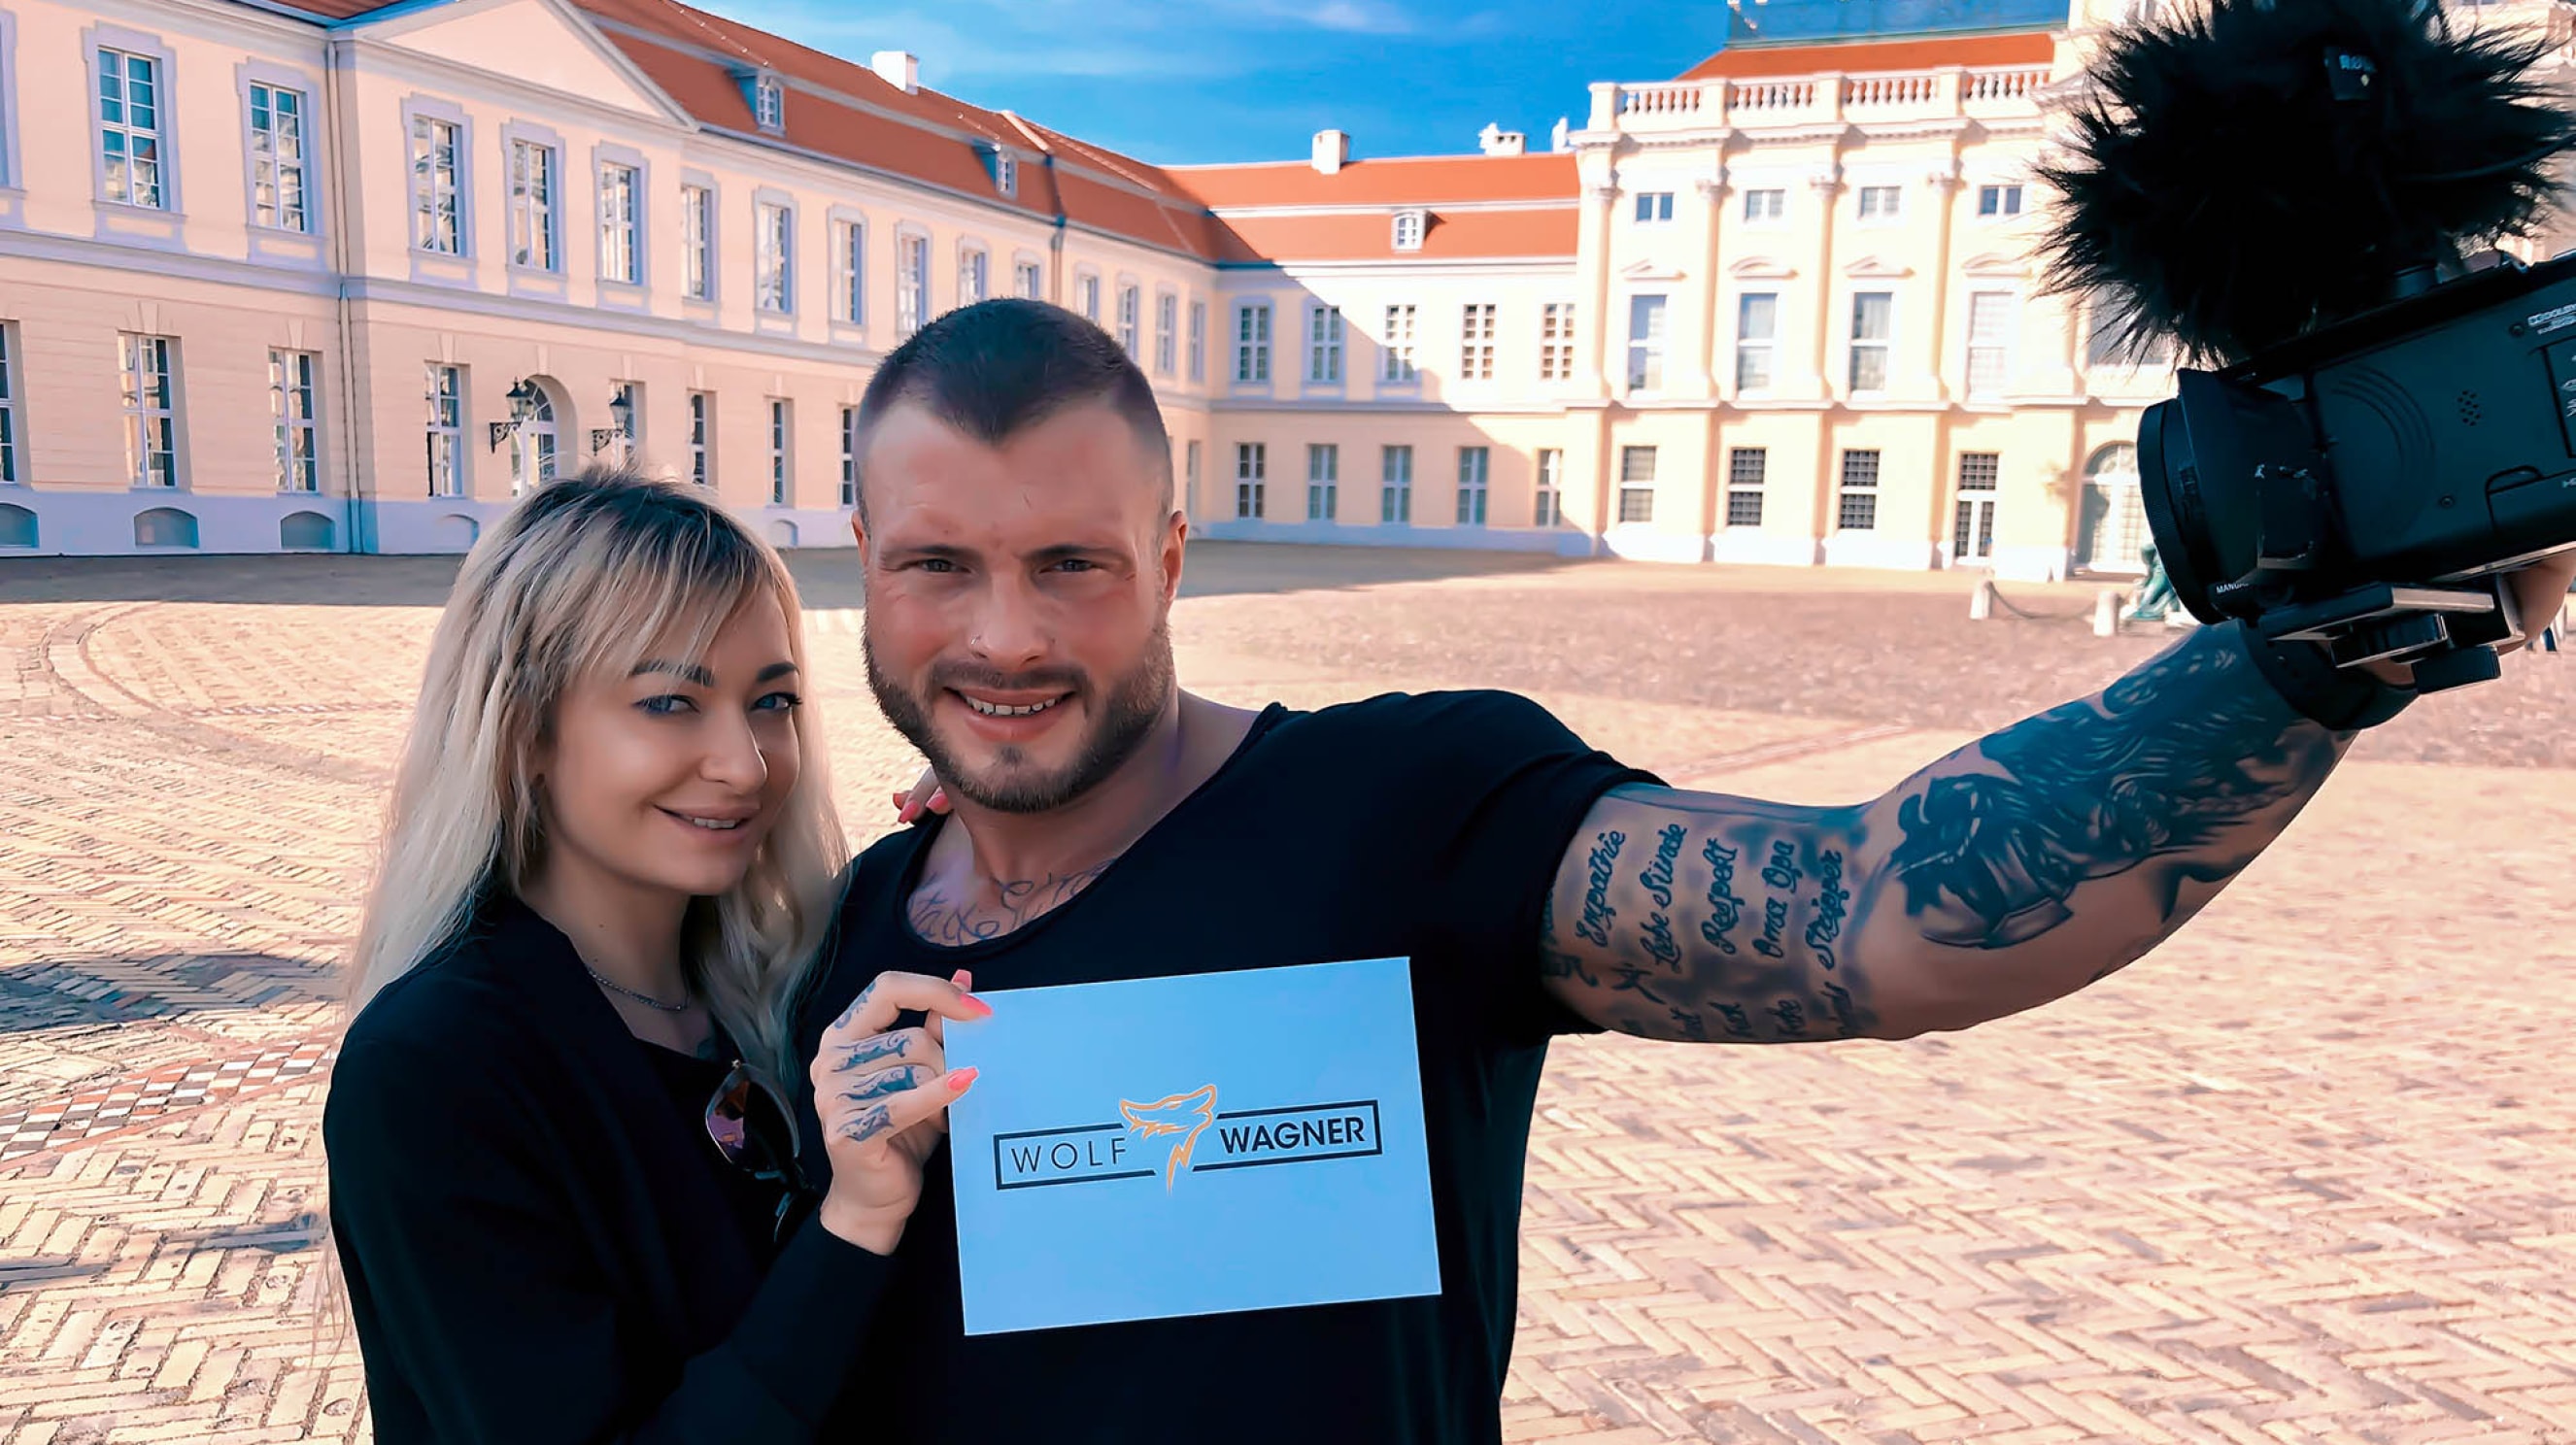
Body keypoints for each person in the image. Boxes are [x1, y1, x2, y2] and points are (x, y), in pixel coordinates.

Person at [798, 299, 2574, 1444]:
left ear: (1175, 556)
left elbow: (1876, 913)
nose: (1004, 636)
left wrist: (2313, 654)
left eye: (1074, 565)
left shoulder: (1395, 809)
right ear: (866, 555)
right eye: (939, 565)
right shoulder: (855, 935)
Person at [322, 465, 986, 1444]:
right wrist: (853, 1224)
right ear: (525, 729)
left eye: (773, 701)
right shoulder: (437, 1070)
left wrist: (997, 815)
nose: (745, 765)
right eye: (672, 702)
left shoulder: (794, 983)